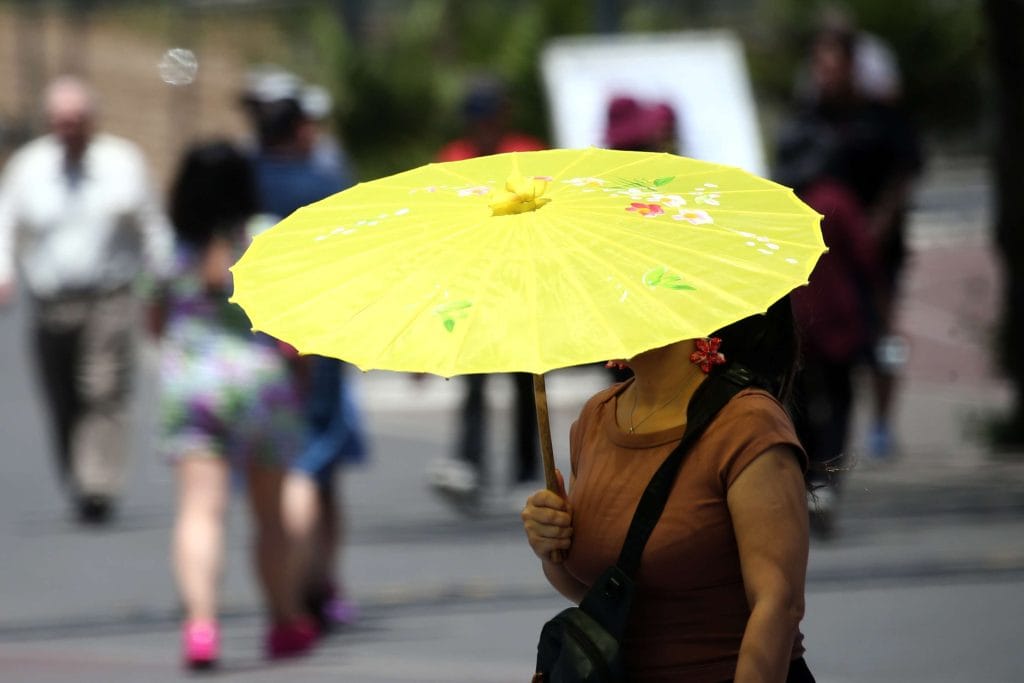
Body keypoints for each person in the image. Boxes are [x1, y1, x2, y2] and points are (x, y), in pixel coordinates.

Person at [522, 296, 816, 682]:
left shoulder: (746, 423)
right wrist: (551, 546)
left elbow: (778, 604)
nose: (599, 301)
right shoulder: (596, 417)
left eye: (620, 288)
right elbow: (595, 592)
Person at [0, 76, 173, 524]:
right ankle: (79, 476)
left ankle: (99, 483)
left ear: (93, 120)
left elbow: (152, 224)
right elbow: (6, 223)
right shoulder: (29, 167)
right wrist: (4, 273)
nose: (69, 128)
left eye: (76, 120)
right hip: (50, 301)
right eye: (60, 121)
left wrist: (162, 276)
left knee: (103, 387)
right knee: (63, 395)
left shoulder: (123, 163)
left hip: (109, 297)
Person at [157, 141, 302, 669]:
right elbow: (292, 321)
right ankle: (283, 620)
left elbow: (154, 319)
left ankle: (201, 626)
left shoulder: (172, 245)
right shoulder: (266, 235)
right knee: (270, 516)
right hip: (260, 382)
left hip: (191, 383)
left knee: (200, 511)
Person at [246, 82, 366, 651]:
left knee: (273, 475)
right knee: (315, 465)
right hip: (316, 336)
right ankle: (317, 583)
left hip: (250, 343)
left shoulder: (243, 183)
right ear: (300, 131)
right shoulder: (324, 186)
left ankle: (293, 584)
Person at [778, 23, 923, 460]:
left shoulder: (880, 117)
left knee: (881, 337)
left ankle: (882, 420)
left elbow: (905, 171)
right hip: (826, 255)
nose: (824, 73)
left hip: (876, 250)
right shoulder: (806, 120)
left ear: (851, 66)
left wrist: (879, 222)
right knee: (823, 344)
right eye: (818, 64)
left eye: (832, 63)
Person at [428, 77, 546, 512]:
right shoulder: (454, 158)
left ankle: (526, 470)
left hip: (519, 279)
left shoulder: (527, 154)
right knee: (473, 377)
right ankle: (469, 463)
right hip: (474, 280)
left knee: (524, 380)